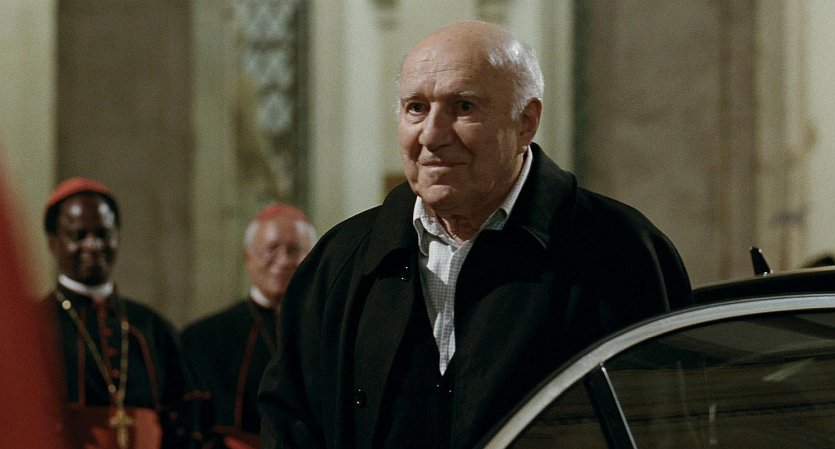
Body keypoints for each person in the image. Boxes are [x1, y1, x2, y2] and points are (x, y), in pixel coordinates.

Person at [258, 20, 693, 449]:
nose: (432, 135)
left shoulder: (620, 252)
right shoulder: (340, 261)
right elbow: (290, 424)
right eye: (416, 108)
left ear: (526, 122)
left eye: (463, 107)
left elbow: (661, 428)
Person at [43, 176, 200, 449]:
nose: (93, 245)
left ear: (117, 237)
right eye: (79, 235)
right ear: (53, 243)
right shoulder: (34, 325)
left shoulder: (152, 327)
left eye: (103, 234)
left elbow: (182, 423)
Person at [182, 203, 316, 449]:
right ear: (247, 256)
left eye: (295, 250)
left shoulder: (328, 332)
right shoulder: (203, 337)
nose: (283, 260)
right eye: (271, 248)